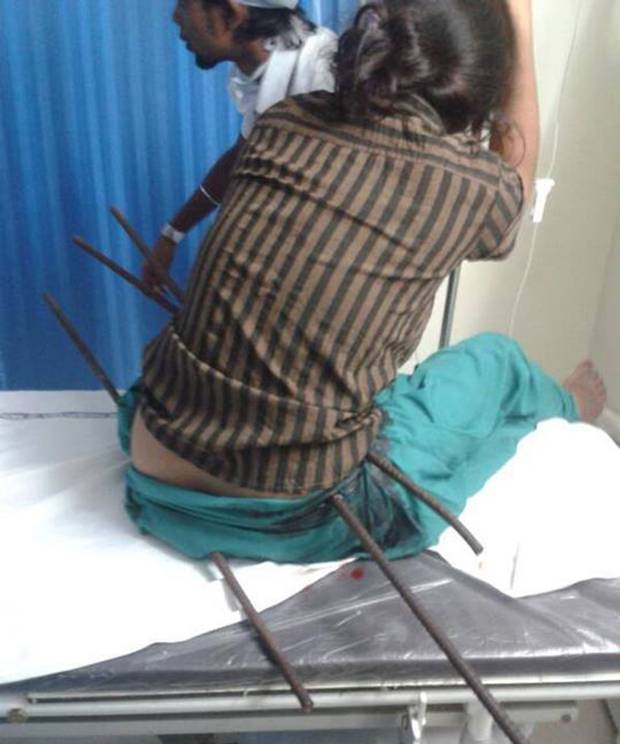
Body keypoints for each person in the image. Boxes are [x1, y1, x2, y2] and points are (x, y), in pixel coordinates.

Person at [121, 0, 606, 564]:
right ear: (479, 82)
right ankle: (570, 402)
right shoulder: (469, 184)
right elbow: (517, 179)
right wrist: (519, 23)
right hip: (288, 513)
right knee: (496, 361)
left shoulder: (284, 121)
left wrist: (172, 233)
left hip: (152, 457)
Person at [142, 0, 337, 290]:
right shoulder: (277, 67)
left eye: (184, 5)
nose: (175, 17)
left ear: (229, 15)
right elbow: (241, 155)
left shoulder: (324, 81)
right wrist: (172, 234)